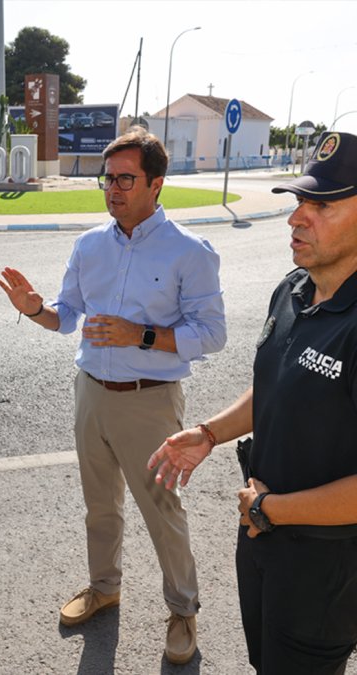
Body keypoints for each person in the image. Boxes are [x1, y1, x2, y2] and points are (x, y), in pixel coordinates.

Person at [0, 127, 226, 665]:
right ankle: (105, 587)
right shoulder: (89, 245)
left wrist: (140, 334)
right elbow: (66, 317)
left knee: (161, 510)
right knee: (100, 507)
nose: (113, 188)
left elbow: (213, 333)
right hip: (90, 393)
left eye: (126, 178)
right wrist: (35, 309)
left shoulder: (189, 252)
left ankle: (183, 609)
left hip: (150, 400)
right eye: (108, 178)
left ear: (157, 184)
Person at [149, 131, 357, 673]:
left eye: (324, 205)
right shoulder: (294, 289)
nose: (296, 218)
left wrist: (272, 509)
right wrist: (210, 433)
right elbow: (276, 382)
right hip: (263, 538)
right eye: (300, 201)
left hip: (323, 567)